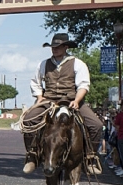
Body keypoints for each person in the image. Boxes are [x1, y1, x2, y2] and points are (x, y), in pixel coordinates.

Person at [22, 33, 104, 175]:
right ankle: (32, 155)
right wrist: (40, 96)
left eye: (58, 47)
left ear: (66, 47)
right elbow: (35, 82)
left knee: (96, 125)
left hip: (72, 100)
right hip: (49, 100)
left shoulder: (78, 64)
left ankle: (90, 157)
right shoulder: (43, 64)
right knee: (28, 120)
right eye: (53, 47)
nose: (54, 49)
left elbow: (84, 85)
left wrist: (77, 101)